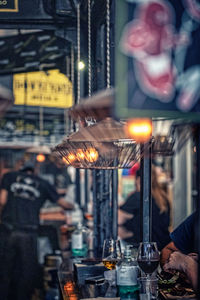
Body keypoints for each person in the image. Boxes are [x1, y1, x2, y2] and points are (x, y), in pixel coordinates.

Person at [0, 160, 74, 300]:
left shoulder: (9, 176)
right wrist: (72, 206)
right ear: (35, 171)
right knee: (26, 272)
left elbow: (2, 200)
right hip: (28, 233)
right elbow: (64, 204)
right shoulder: (43, 183)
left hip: (7, 230)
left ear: (21, 170)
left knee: (4, 270)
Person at [118, 165, 172, 251]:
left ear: (138, 179)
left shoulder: (138, 196)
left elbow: (118, 220)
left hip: (143, 249)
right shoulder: (163, 197)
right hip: (163, 246)